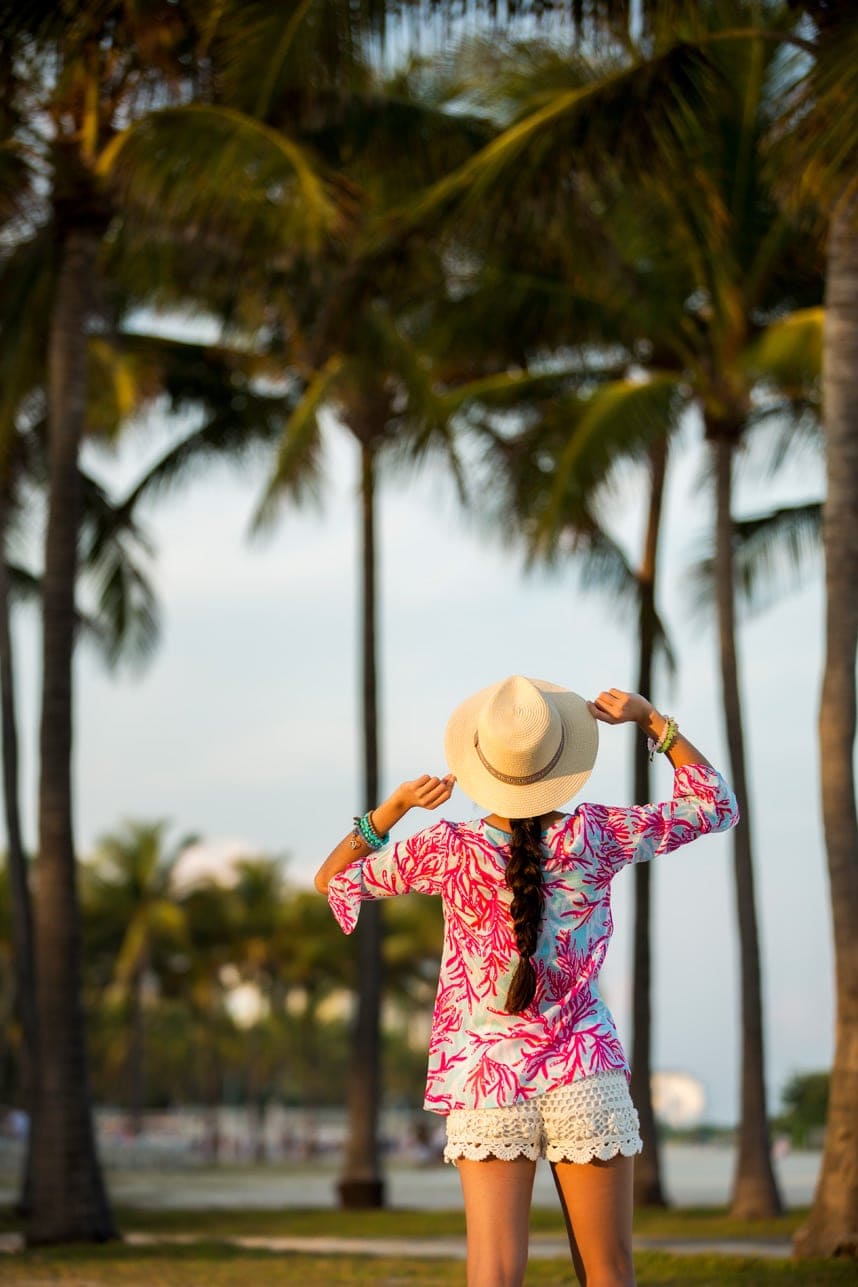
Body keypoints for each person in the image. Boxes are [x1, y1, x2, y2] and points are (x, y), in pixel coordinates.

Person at [315, 677, 739, 1287]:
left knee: (493, 1272)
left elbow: (332, 879)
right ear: (560, 763)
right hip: (584, 1067)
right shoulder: (595, 834)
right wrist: (653, 723)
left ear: (482, 763)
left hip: (485, 1077)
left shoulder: (450, 848)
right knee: (610, 1270)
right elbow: (714, 807)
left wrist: (398, 806)